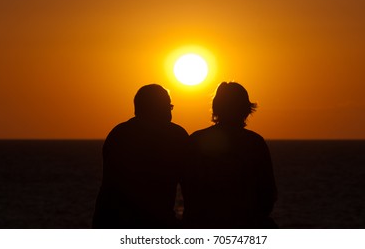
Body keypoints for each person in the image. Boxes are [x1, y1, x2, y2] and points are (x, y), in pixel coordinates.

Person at [182, 82, 277, 228]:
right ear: (246, 110)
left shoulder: (196, 140)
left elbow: (189, 190)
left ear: (216, 107)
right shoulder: (255, 143)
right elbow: (268, 193)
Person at [92, 84, 188, 228]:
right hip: (154, 223)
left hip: (112, 220)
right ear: (159, 108)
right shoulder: (175, 136)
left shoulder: (118, 134)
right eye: (168, 106)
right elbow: (189, 184)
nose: (170, 111)